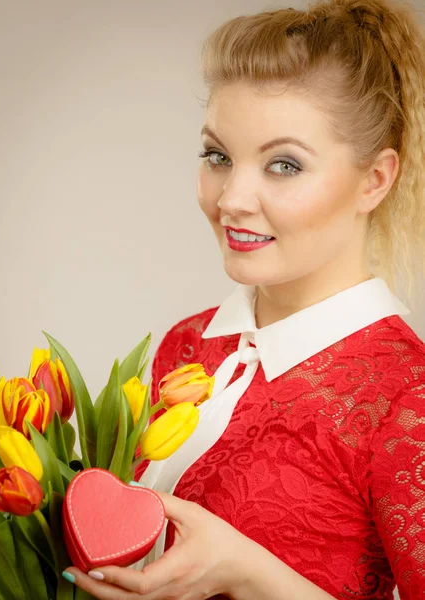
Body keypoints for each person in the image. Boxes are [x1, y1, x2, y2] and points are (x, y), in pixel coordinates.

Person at [64, 0, 425, 597]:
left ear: (375, 179)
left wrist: (250, 574)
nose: (231, 198)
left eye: (283, 164)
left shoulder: (406, 397)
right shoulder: (189, 342)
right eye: (218, 156)